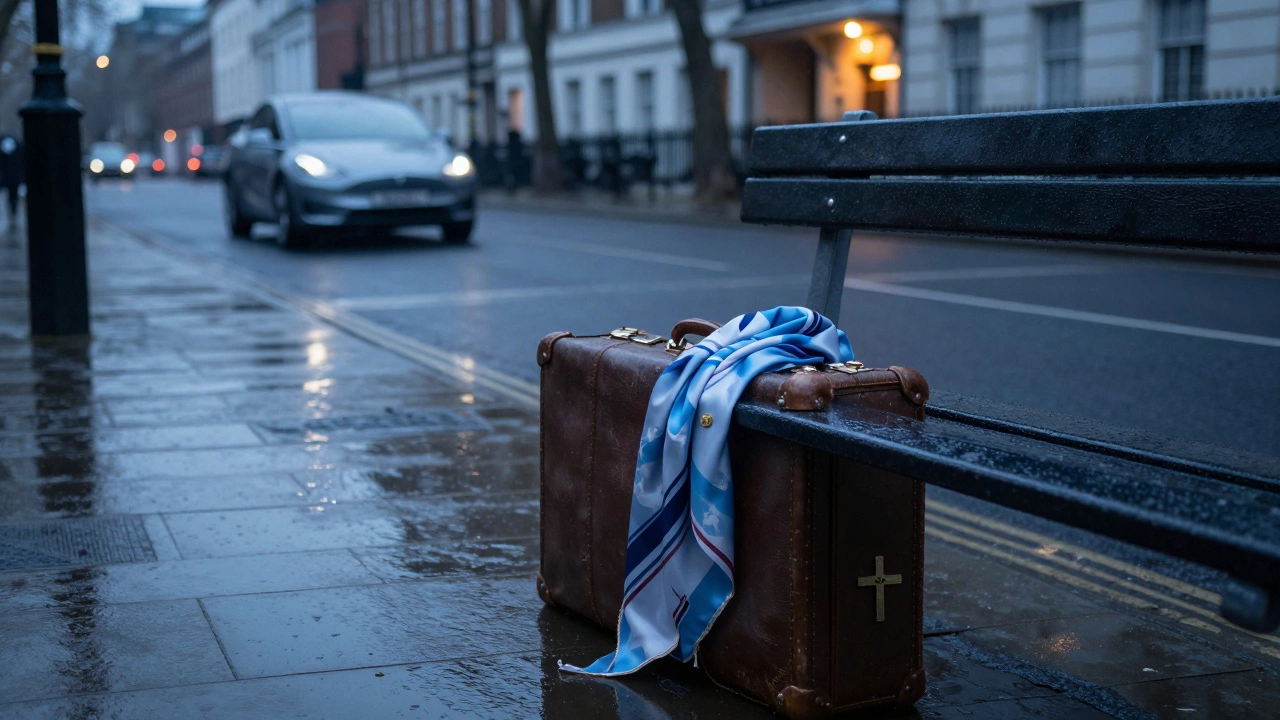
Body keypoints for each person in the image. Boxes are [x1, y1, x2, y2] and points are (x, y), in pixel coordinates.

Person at [0, 133, 23, 231]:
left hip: (10, 177)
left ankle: (12, 214)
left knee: (12, 197)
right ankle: (12, 214)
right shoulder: (16, 144)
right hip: (10, 176)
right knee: (13, 197)